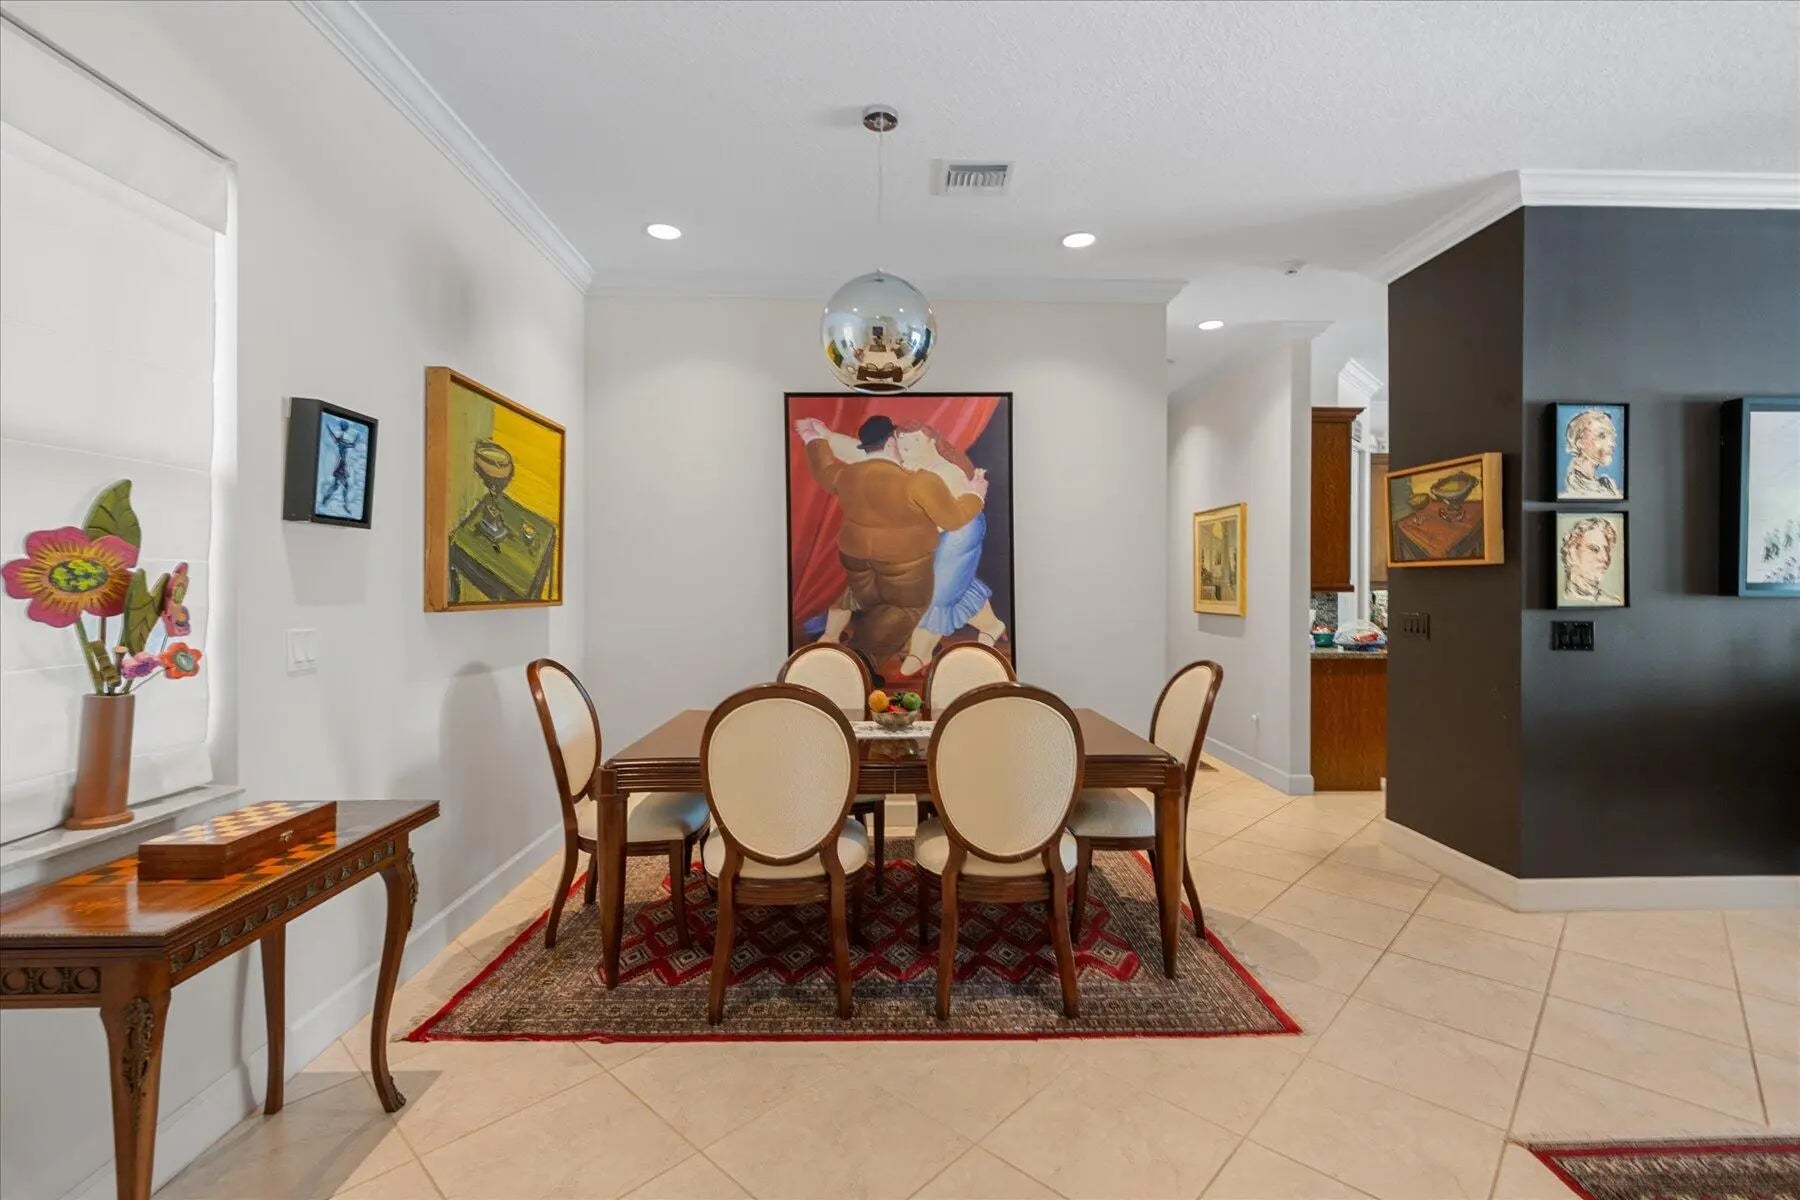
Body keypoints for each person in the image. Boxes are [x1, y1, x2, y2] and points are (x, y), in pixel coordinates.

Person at [796, 414, 986, 668]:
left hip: (856, 559)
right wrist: (975, 495)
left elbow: (823, 469)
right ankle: (859, 661)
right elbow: (953, 520)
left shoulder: (847, 475)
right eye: (900, 443)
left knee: (877, 608)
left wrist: (813, 438)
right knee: (907, 608)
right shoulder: (918, 481)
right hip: (902, 563)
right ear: (890, 444)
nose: (905, 449)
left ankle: (859, 659)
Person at [1560, 516, 1623, 605]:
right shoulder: (1559, 599)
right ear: (1572, 552)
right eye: (1594, 549)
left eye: (1607, 550)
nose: (1605, 558)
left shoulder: (1614, 603)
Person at [1562, 409, 1621, 498]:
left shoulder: (1607, 485)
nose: (1612, 444)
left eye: (1612, 437)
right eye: (1601, 435)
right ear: (1580, 442)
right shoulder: (1572, 487)